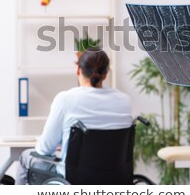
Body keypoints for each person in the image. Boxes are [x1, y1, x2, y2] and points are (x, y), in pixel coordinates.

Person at [15, 48, 133, 184]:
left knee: (25, 157)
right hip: (115, 179)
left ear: (78, 70)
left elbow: (44, 148)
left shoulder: (66, 99)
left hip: (74, 180)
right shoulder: (125, 101)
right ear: (106, 74)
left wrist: (65, 145)